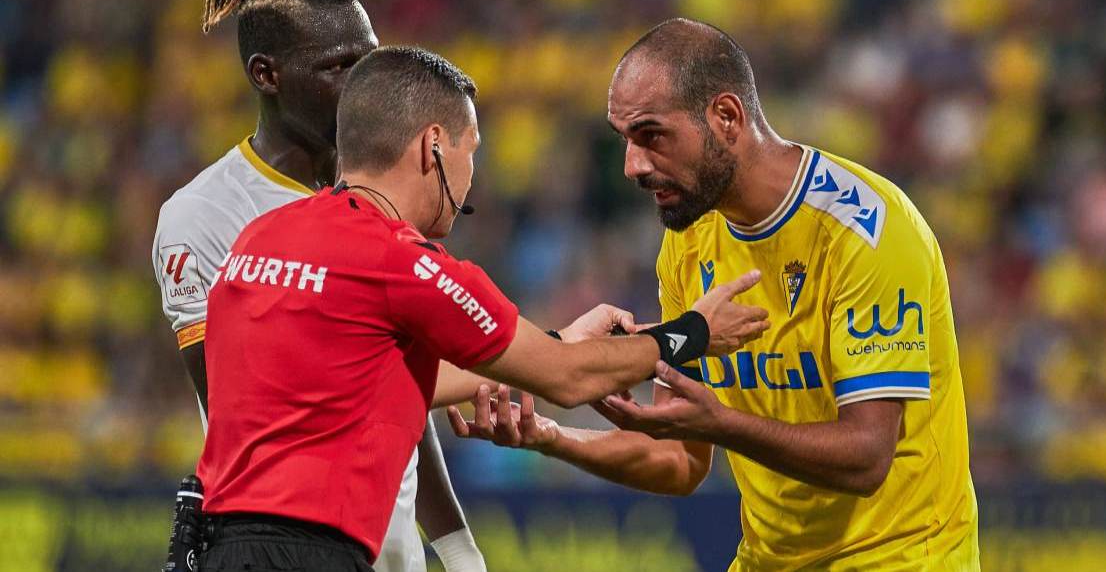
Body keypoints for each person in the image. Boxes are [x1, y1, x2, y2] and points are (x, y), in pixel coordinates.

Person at [193, 44, 769, 572]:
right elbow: (566, 383)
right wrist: (691, 334)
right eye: (471, 154)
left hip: (216, 545)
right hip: (312, 554)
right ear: (434, 146)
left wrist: (557, 340)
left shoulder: (261, 238)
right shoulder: (402, 261)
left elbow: (370, 378)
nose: (469, 183)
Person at [448, 19, 980, 571]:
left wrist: (719, 423)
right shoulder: (691, 239)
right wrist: (550, 437)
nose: (633, 166)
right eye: (624, 140)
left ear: (726, 117)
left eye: (651, 135)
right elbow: (681, 458)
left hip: (901, 558)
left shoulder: (866, 231)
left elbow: (867, 458)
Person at [150, 0, 488, 571]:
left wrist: (458, 548)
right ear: (266, 74)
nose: (364, 85)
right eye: (340, 66)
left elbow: (401, 381)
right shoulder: (204, 215)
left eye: (370, 61)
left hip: (388, 555)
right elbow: (268, 398)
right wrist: (498, 365)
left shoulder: (383, 197)